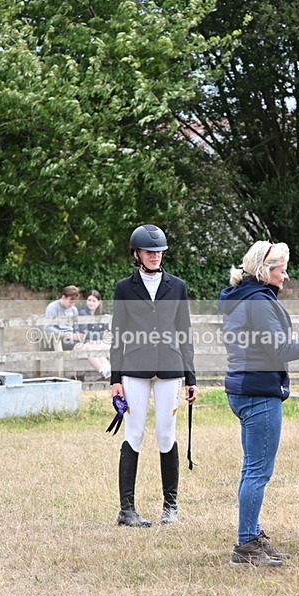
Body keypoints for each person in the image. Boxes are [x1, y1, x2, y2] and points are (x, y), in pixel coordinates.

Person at [219, 240, 299, 567]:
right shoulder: (259, 302)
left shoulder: (245, 297)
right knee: (257, 471)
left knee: (252, 468)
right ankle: (246, 545)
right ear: (266, 271)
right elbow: (280, 350)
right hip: (258, 392)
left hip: (244, 388)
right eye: (282, 269)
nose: (286, 275)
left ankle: (252, 534)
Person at [110, 224, 198, 527]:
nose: (155, 256)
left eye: (159, 251)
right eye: (149, 252)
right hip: (134, 368)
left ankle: (170, 506)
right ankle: (127, 510)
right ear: (136, 254)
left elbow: (185, 333)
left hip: (171, 368)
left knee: (165, 434)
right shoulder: (124, 288)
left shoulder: (177, 286)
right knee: (134, 433)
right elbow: (117, 334)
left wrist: (191, 378)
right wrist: (115, 379)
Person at [76, 289, 111, 380]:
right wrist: (101, 335)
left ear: (99, 302)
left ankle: (109, 372)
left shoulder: (101, 314)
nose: (91, 303)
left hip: (98, 343)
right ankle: (106, 372)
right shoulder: (83, 313)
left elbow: (107, 331)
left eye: (94, 301)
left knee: (106, 347)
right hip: (86, 343)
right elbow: (84, 333)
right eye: (89, 300)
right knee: (95, 348)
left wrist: (104, 335)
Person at [43, 285, 84, 350]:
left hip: (71, 338)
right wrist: (66, 335)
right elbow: (47, 328)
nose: (72, 305)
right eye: (70, 302)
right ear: (63, 297)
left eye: (74, 303)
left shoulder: (74, 310)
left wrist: (77, 335)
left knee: (93, 346)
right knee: (85, 348)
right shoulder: (52, 307)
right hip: (57, 339)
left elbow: (76, 327)